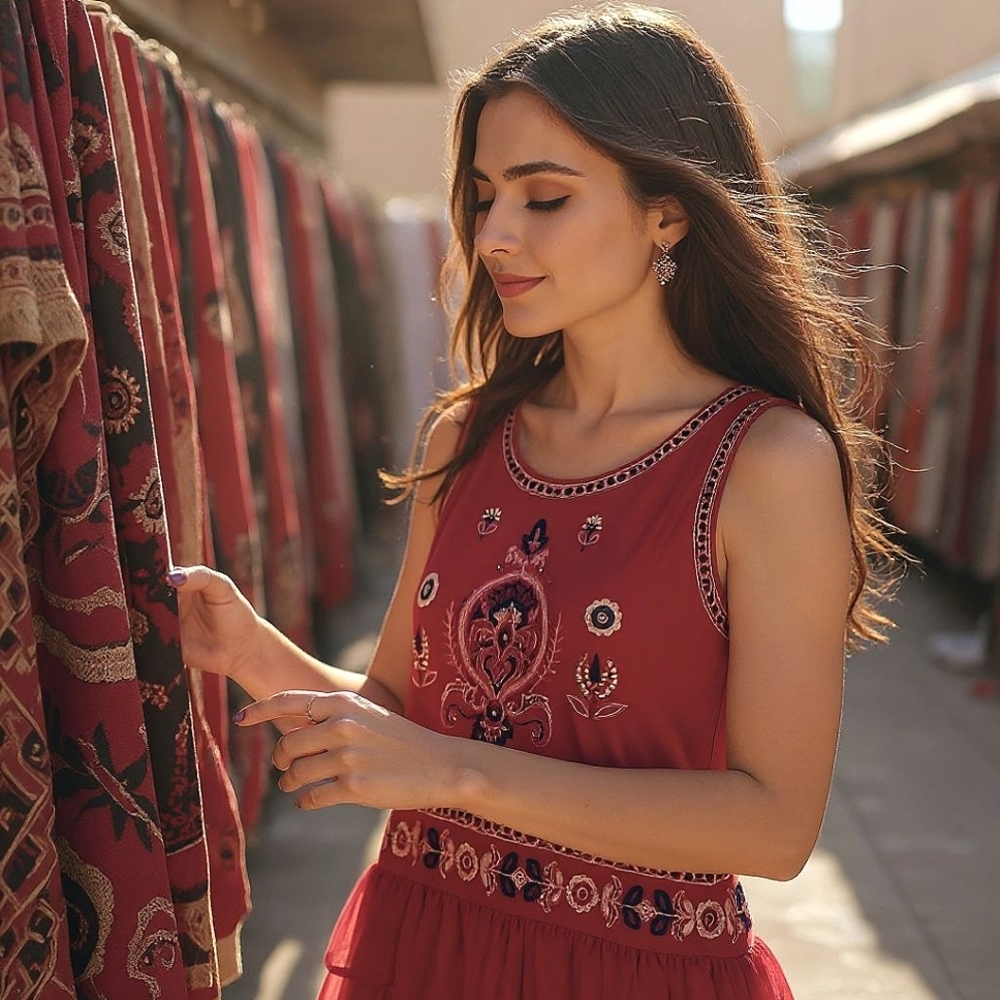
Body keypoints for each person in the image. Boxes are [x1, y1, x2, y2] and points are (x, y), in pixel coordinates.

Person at [169, 5, 901, 997]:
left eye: (544, 197)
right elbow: (396, 721)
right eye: (481, 196)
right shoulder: (464, 437)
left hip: (632, 974)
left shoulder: (766, 461)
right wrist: (246, 650)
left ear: (668, 210)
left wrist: (454, 776)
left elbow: (773, 825)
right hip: (413, 946)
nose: (493, 235)